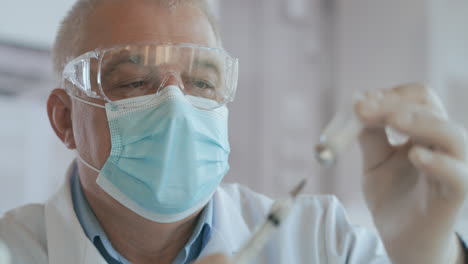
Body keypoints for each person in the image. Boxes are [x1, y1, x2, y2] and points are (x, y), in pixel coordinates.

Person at [0, 0, 467, 263]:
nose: (176, 106)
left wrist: (430, 255)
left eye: (202, 82)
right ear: (65, 120)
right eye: (134, 82)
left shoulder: (324, 242)